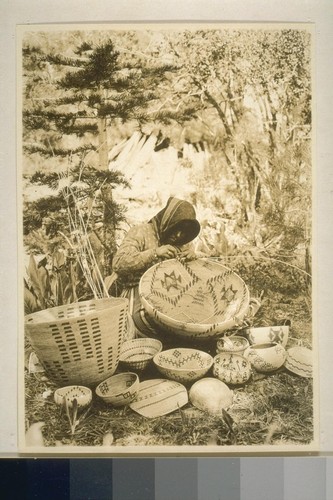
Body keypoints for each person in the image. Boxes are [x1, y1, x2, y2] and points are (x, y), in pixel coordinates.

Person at [112, 196, 202, 339]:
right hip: (138, 292)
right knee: (146, 318)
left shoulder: (182, 242)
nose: (178, 235)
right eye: (175, 228)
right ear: (167, 221)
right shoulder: (140, 231)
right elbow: (119, 263)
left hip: (170, 292)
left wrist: (191, 258)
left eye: (183, 232)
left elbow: (189, 274)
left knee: (195, 310)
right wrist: (154, 253)